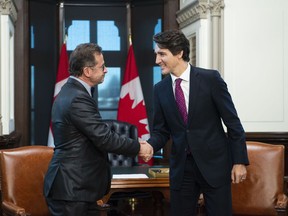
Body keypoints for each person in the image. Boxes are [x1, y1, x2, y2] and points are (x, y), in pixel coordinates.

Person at [144, 30, 249, 215]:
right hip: (182, 168)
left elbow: (233, 123)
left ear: (179, 53)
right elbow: (161, 131)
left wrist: (239, 161)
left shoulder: (211, 79)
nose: (157, 60)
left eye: (162, 54)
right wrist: (150, 146)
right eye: (156, 55)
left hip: (215, 165)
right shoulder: (159, 89)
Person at [43, 43, 153, 216]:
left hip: (78, 188)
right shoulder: (77, 97)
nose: (106, 70)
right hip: (72, 190)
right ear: (87, 71)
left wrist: (135, 143)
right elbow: (104, 138)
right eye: (102, 66)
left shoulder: (73, 92)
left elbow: (98, 133)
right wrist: (139, 147)